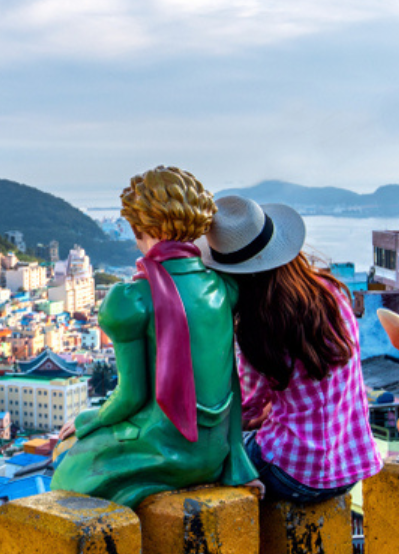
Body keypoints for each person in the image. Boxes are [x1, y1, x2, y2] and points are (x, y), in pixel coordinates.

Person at [51, 166, 259, 510]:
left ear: (139, 227)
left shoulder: (130, 299)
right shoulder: (223, 288)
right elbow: (230, 382)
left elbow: (131, 397)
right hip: (215, 454)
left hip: (163, 450)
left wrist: (89, 419)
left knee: (68, 474)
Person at [196, 195, 382, 504]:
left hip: (293, 473)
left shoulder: (259, 326)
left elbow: (247, 409)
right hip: (350, 470)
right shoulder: (332, 294)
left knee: (216, 456)